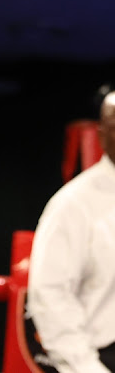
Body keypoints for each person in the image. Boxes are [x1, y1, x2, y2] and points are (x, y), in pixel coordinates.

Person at [27, 89, 115, 372]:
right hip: (102, 357)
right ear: (102, 134)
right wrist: (87, 368)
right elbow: (50, 296)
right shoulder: (73, 204)